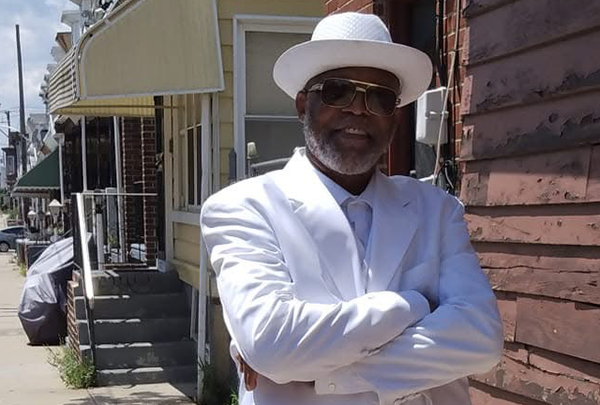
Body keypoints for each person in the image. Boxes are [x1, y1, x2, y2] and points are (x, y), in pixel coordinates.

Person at [200, 12, 503, 405]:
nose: (359, 109)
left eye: (380, 97)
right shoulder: (244, 208)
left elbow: (481, 339)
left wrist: (325, 373)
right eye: (337, 91)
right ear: (302, 105)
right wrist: (414, 304)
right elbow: (272, 344)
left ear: (395, 116)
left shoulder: (438, 210)